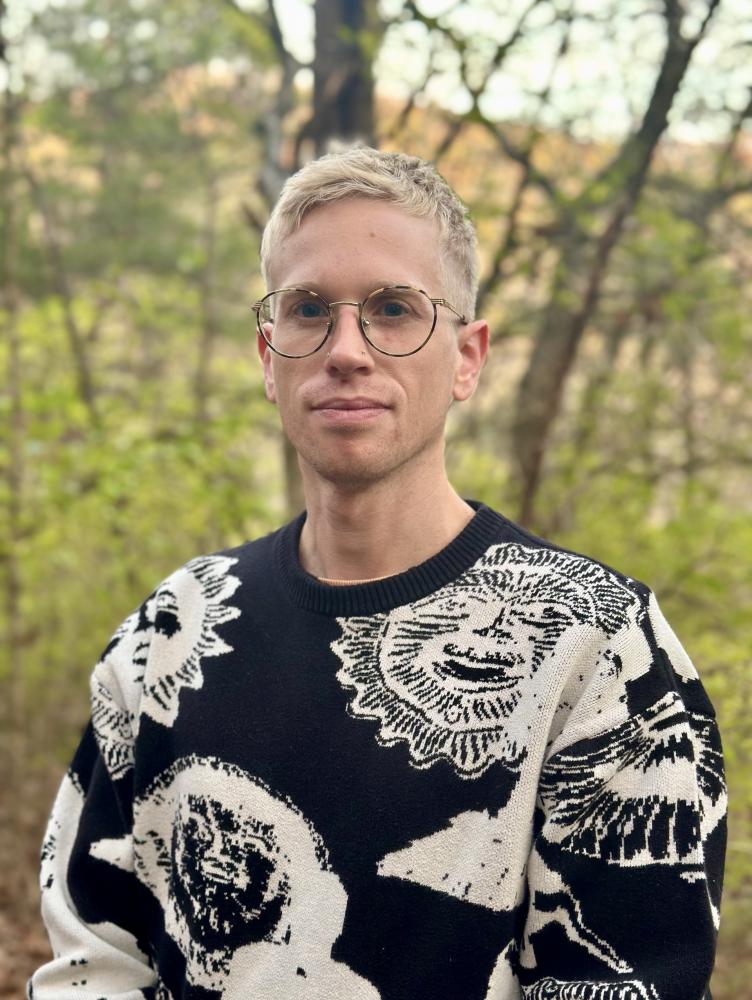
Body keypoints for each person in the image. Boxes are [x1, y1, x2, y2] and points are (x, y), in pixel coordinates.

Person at [29, 148, 726, 1000]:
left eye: (395, 309)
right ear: (266, 355)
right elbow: (89, 962)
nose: (347, 349)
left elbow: (626, 978)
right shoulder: (174, 634)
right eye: (309, 308)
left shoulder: (600, 647)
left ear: (467, 358)